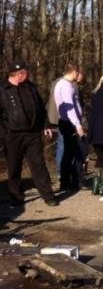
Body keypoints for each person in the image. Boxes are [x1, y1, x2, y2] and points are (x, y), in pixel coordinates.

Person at [0, 60, 58, 206]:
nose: (28, 74)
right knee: (14, 166)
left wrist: (46, 125)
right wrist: (4, 132)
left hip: (32, 134)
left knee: (38, 164)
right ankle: (15, 197)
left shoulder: (30, 87)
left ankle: (48, 195)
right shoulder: (3, 89)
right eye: (25, 72)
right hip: (12, 135)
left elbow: (40, 108)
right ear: (18, 74)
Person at [53, 63, 85, 191]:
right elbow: (69, 108)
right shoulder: (66, 86)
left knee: (69, 152)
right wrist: (77, 125)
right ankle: (68, 181)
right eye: (77, 72)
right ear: (74, 72)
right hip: (69, 123)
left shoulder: (61, 83)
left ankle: (67, 181)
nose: (78, 75)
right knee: (71, 153)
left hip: (66, 121)